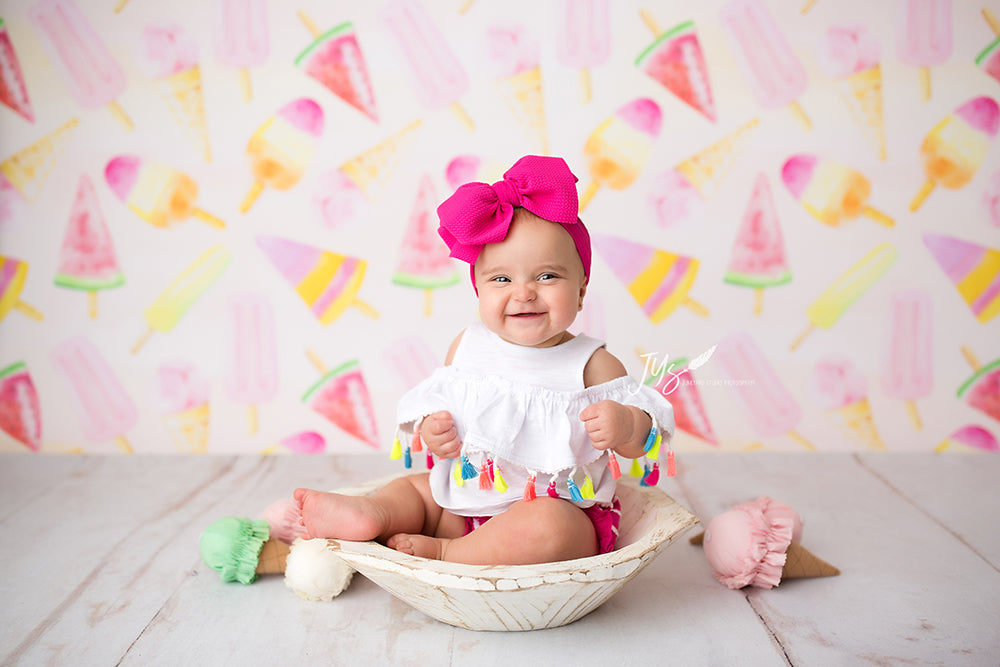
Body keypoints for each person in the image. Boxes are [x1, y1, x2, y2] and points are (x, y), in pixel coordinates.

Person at [294, 155, 674, 566]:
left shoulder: (592, 364)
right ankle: (371, 513)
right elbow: (449, 419)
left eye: (547, 276)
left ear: (581, 289)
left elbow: (643, 442)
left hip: (561, 514)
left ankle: (448, 554)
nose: (524, 293)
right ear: (478, 290)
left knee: (549, 524)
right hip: (464, 505)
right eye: (501, 279)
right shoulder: (468, 348)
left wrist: (627, 424)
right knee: (417, 489)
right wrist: (437, 432)